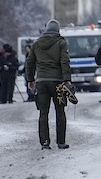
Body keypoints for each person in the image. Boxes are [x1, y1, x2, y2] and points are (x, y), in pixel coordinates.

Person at [26, 19, 72, 149]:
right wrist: (67, 79)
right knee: (60, 111)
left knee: (43, 113)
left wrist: (30, 79)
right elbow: (65, 61)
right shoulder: (61, 43)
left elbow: (29, 63)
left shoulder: (36, 44)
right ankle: (61, 142)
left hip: (41, 82)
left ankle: (45, 142)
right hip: (58, 83)